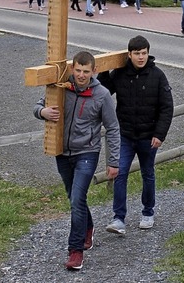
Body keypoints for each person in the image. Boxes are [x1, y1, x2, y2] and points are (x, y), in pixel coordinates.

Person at [33, 51, 121, 271]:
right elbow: (36, 106)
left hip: (87, 153)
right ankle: (88, 227)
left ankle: (75, 252)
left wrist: (113, 161)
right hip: (62, 153)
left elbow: (112, 128)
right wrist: (43, 112)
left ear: (94, 71)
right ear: (73, 69)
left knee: (76, 199)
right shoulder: (60, 88)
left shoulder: (101, 95)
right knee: (74, 197)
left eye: (86, 71)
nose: (81, 75)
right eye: (78, 70)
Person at [100, 35, 174, 235]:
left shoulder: (158, 76)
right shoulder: (121, 74)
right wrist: (104, 71)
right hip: (125, 134)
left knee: (147, 174)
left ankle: (148, 212)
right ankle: (118, 219)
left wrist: (160, 134)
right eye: (137, 54)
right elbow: (105, 91)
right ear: (129, 54)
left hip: (149, 136)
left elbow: (167, 107)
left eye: (144, 53)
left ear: (148, 53)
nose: (141, 57)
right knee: (120, 173)